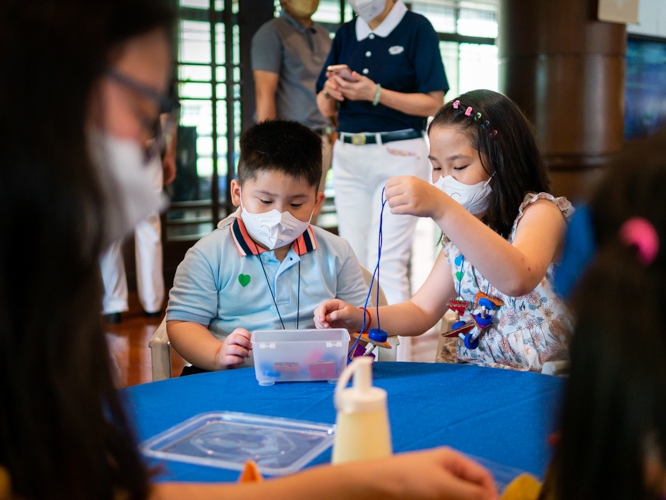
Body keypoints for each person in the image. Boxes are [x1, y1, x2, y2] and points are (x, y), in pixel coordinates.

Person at [0, 0, 501, 498]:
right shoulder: (206, 254)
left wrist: (363, 477)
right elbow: (182, 329)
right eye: (142, 111)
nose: (156, 153)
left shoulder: (48, 305)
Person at [315, 90, 573, 372]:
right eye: (436, 167)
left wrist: (442, 208)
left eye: (459, 166)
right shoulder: (458, 239)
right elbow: (421, 311)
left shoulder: (540, 212)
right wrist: (360, 317)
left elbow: (518, 279)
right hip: (479, 373)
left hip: (544, 382)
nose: (444, 179)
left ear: (503, 161)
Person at [166, 120, 368, 374]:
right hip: (234, 376)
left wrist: (350, 334)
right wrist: (217, 354)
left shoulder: (337, 252)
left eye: (295, 205)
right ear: (237, 193)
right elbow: (183, 323)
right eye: (265, 201)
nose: (279, 216)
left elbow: (363, 318)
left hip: (313, 376)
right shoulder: (208, 255)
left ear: (317, 203)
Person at [315, 0, 448, 322]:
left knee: (387, 260)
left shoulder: (417, 28)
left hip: (399, 152)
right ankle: (362, 353)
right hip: (349, 154)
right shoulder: (347, 33)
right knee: (353, 260)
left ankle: (395, 355)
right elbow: (324, 107)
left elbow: (433, 102)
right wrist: (333, 90)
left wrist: (376, 93)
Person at [252, 0, 333, 225]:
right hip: (287, 142)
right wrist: (267, 149)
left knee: (309, 218)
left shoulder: (325, 36)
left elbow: (332, 89)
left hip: (321, 139)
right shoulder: (271, 33)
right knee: (278, 220)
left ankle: (303, 261)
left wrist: (334, 129)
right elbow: (264, 93)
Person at [100, 94, 178, 323]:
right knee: (149, 229)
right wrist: (168, 153)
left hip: (108, 145)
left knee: (109, 229)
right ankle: (153, 303)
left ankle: (113, 305)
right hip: (146, 147)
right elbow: (168, 113)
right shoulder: (152, 62)